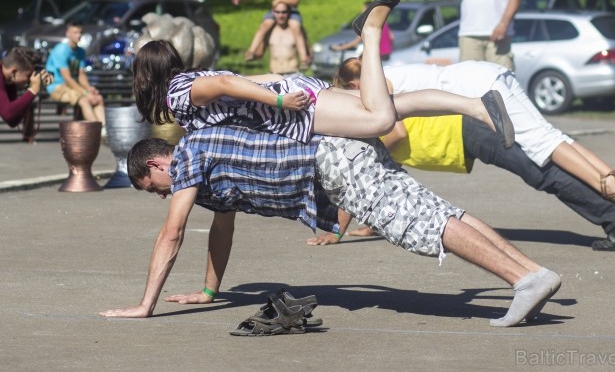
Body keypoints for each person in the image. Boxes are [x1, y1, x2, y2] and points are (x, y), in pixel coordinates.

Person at [100, 123, 561, 327]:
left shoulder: (188, 158)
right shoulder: (207, 170)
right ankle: (534, 274)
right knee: (435, 210)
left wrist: (146, 305)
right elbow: (223, 228)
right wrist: (207, 292)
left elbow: (172, 232)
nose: (162, 194)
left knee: (415, 222)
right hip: (337, 156)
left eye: (153, 186)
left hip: (331, 162)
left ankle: (523, 279)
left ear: (158, 162)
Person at [320, 60, 615, 251]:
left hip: (463, 129)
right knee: (542, 154)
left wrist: (340, 226)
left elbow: (392, 142)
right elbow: (388, 172)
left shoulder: (373, 102)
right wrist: (368, 221)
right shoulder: (381, 93)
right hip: (459, 134)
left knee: (540, 168)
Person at [133, 0, 513, 146]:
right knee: (394, 105)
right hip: (295, 92)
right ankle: (477, 106)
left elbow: (227, 82)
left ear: (148, 76)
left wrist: (279, 98)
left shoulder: (179, 94)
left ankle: (370, 31)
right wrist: (281, 87)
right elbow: (239, 81)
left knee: (380, 121)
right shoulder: (189, 80)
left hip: (297, 107)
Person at [45, 21, 106, 128]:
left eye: (80, 32)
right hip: (57, 86)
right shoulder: (61, 50)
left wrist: (89, 88)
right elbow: (67, 78)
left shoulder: (81, 52)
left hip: (72, 86)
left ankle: (105, 130)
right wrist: (86, 93)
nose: (78, 35)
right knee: (84, 100)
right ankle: (97, 130)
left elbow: (81, 75)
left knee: (98, 98)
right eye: (75, 32)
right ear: (67, 33)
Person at [1, 47, 53, 129]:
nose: (30, 79)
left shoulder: (9, 81)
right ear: (13, 71)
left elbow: (13, 121)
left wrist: (31, 92)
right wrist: (32, 90)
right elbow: (8, 114)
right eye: (28, 75)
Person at [258, 1, 305, 75]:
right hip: (274, 74)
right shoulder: (269, 31)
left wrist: (304, 61)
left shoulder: (296, 30)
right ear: (273, 12)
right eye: (278, 12)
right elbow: (260, 53)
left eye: (284, 12)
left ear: (289, 13)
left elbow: (307, 52)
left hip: (292, 74)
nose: (281, 15)